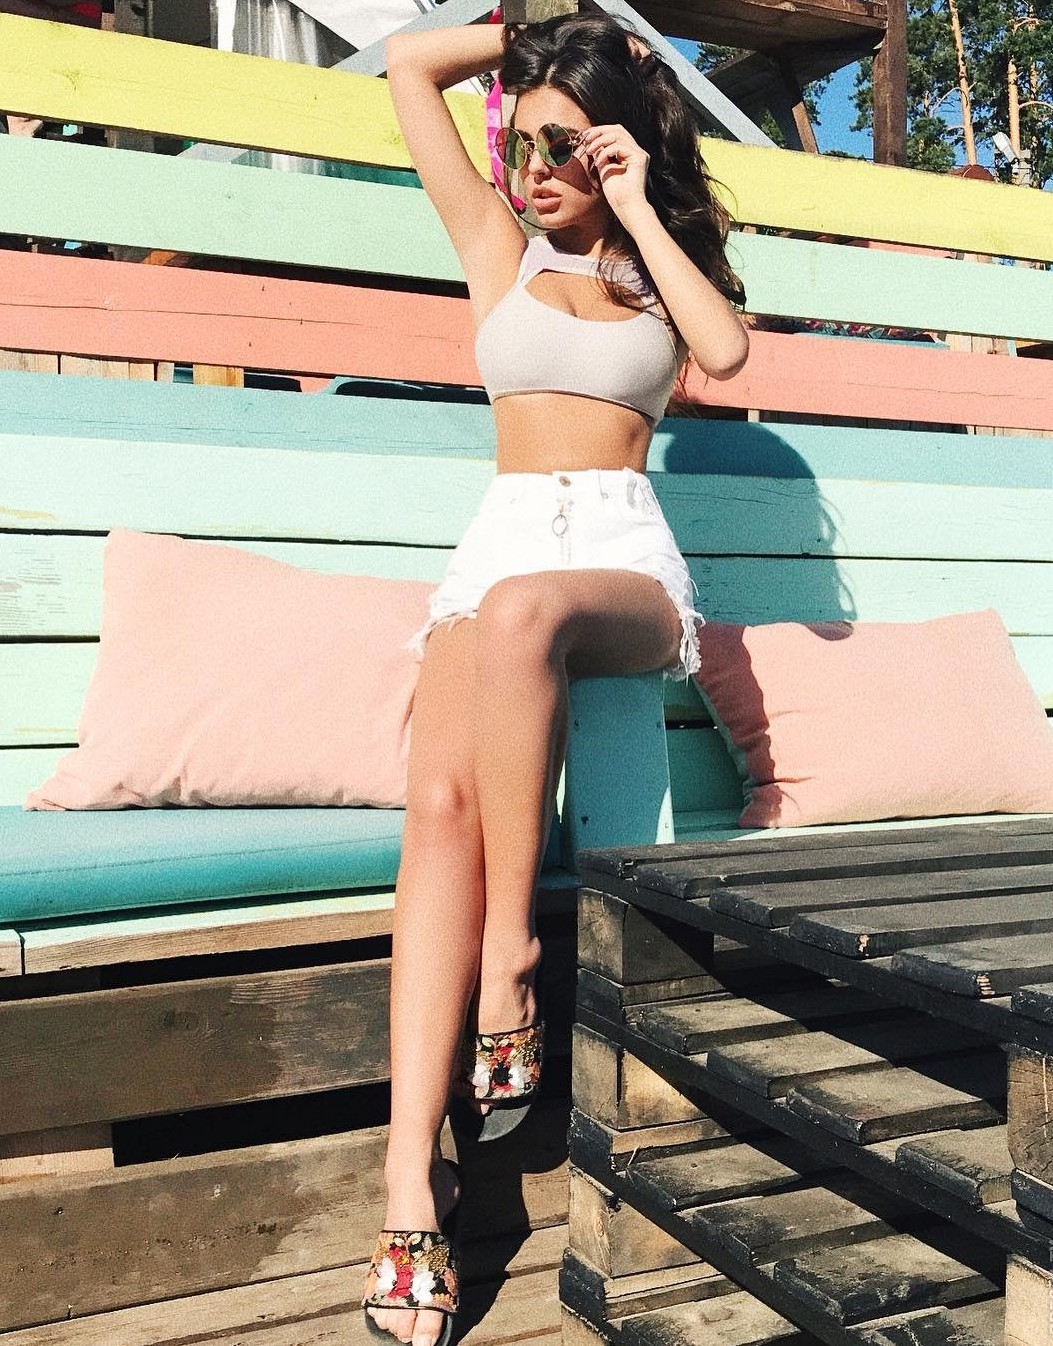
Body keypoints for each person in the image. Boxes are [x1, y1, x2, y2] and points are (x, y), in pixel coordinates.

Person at [362, 13, 749, 1346]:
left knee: (529, 610)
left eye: (559, 148)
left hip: (622, 571)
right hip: (499, 553)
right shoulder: (496, 249)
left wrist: (634, 197)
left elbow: (726, 353)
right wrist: (534, 35)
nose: (531, 171)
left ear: (612, 148)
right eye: (520, 144)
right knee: (436, 811)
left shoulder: (661, 263)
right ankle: (409, 1176)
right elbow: (410, 67)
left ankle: (513, 955)